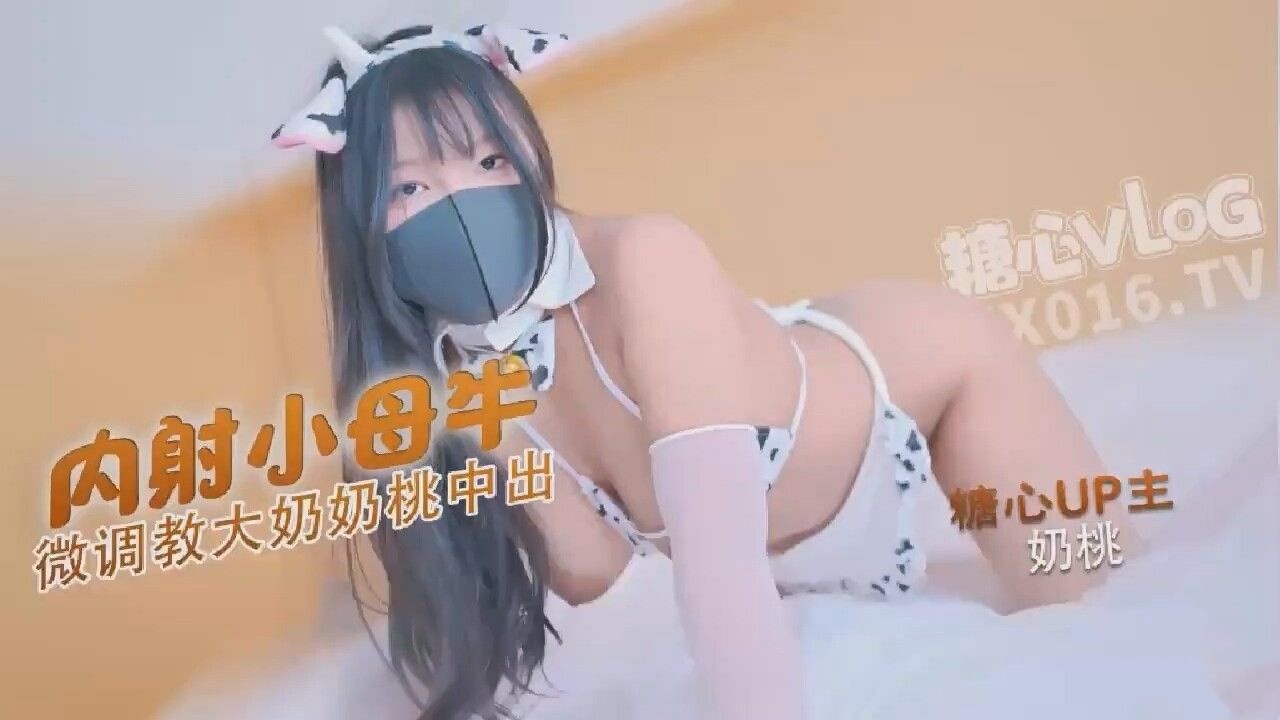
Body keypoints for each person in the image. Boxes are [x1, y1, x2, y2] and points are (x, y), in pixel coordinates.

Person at [272, 22, 1143, 720]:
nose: (464, 201)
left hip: (931, 387)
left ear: (530, 154)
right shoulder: (460, 384)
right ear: (361, 229)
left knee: (1107, 631)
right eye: (411, 189)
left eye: (489, 160)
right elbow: (594, 573)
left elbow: (718, 563)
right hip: (788, 539)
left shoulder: (645, 261)